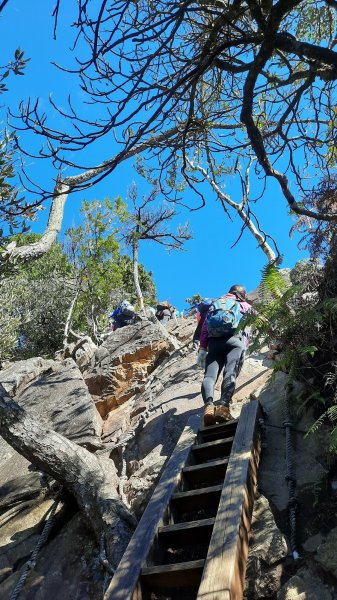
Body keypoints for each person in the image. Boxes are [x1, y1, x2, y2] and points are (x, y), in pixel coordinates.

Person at [197, 285, 252, 426]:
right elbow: (260, 320)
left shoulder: (215, 305)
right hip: (235, 342)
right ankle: (223, 407)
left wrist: (203, 348)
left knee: (209, 376)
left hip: (214, 344)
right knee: (230, 372)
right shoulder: (243, 305)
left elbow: (204, 328)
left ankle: (208, 407)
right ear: (241, 294)